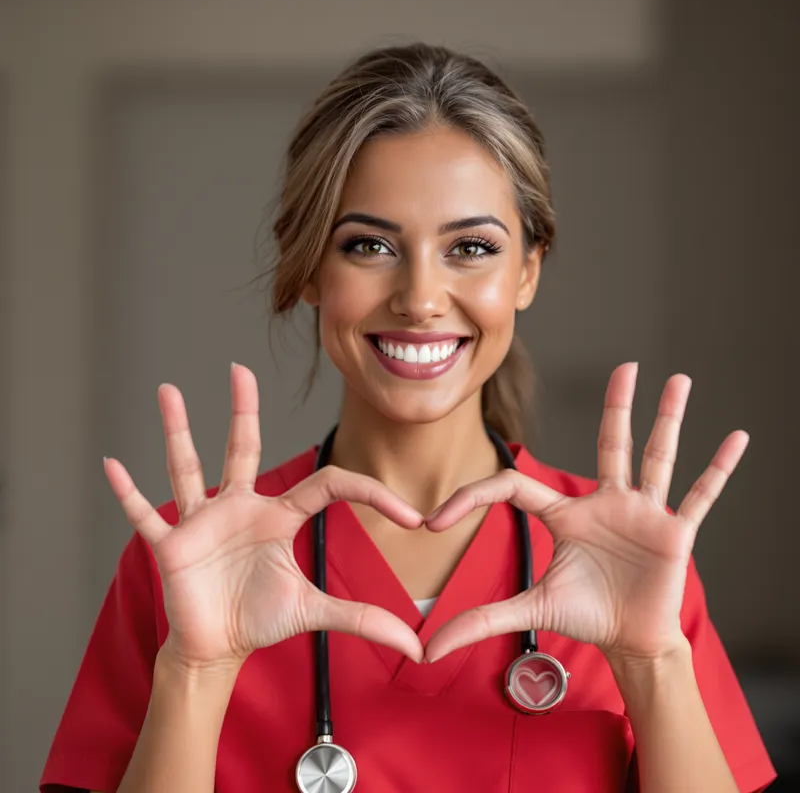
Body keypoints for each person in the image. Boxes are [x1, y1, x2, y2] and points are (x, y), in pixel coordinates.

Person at [40, 43, 776, 793]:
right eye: (370, 246)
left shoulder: (635, 560)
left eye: (471, 248)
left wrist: (652, 665)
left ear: (527, 270)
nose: (421, 297)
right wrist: (196, 670)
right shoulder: (187, 560)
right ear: (307, 271)